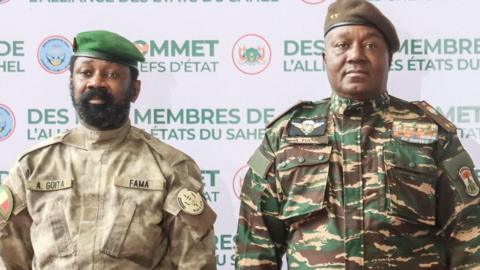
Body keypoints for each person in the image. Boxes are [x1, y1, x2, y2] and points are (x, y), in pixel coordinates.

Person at [235, 0, 480, 269]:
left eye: (371, 45)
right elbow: (255, 247)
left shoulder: (431, 133)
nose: (356, 55)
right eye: (342, 45)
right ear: (324, 58)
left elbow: (470, 237)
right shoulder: (285, 136)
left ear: (390, 58)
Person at [0, 30, 217, 269]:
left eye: (112, 74)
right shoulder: (33, 166)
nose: (96, 82)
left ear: (135, 89)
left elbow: (195, 263)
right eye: (86, 72)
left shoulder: (169, 167)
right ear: (72, 83)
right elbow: (8, 259)